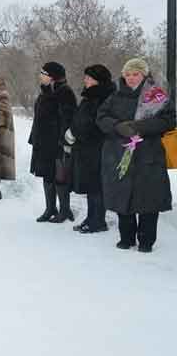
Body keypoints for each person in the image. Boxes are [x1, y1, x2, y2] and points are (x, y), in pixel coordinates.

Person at [97, 58, 174, 252]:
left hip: (148, 156)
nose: (131, 78)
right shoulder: (114, 95)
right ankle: (127, 237)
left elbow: (169, 119)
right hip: (119, 153)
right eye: (128, 74)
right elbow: (101, 117)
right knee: (123, 197)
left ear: (144, 75)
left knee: (149, 199)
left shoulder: (156, 96)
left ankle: (146, 241)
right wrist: (117, 126)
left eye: (135, 74)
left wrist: (140, 127)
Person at [66, 64, 115, 233]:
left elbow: (96, 123)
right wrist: (72, 130)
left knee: (96, 186)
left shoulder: (104, 97)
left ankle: (98, 221)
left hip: (97, 147)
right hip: (85, 147)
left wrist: (78, 132)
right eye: (85, 77)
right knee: (90, 186)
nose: (85, 80)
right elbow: (80, 118)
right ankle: (91, 217)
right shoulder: (90, 96)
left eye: (89, 77)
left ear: (98, 80)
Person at [29, 62, 77, 223]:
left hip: (57, 143)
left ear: (52, 77)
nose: (40, 76)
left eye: (44, 74)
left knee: (60, 177)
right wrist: (34, 138)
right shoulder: (46, 92)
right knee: (47, 176)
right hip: (43, 143)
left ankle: (64, 210)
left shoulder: (65, 93)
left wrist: (63, 141)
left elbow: (68, 119)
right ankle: (50, 208)